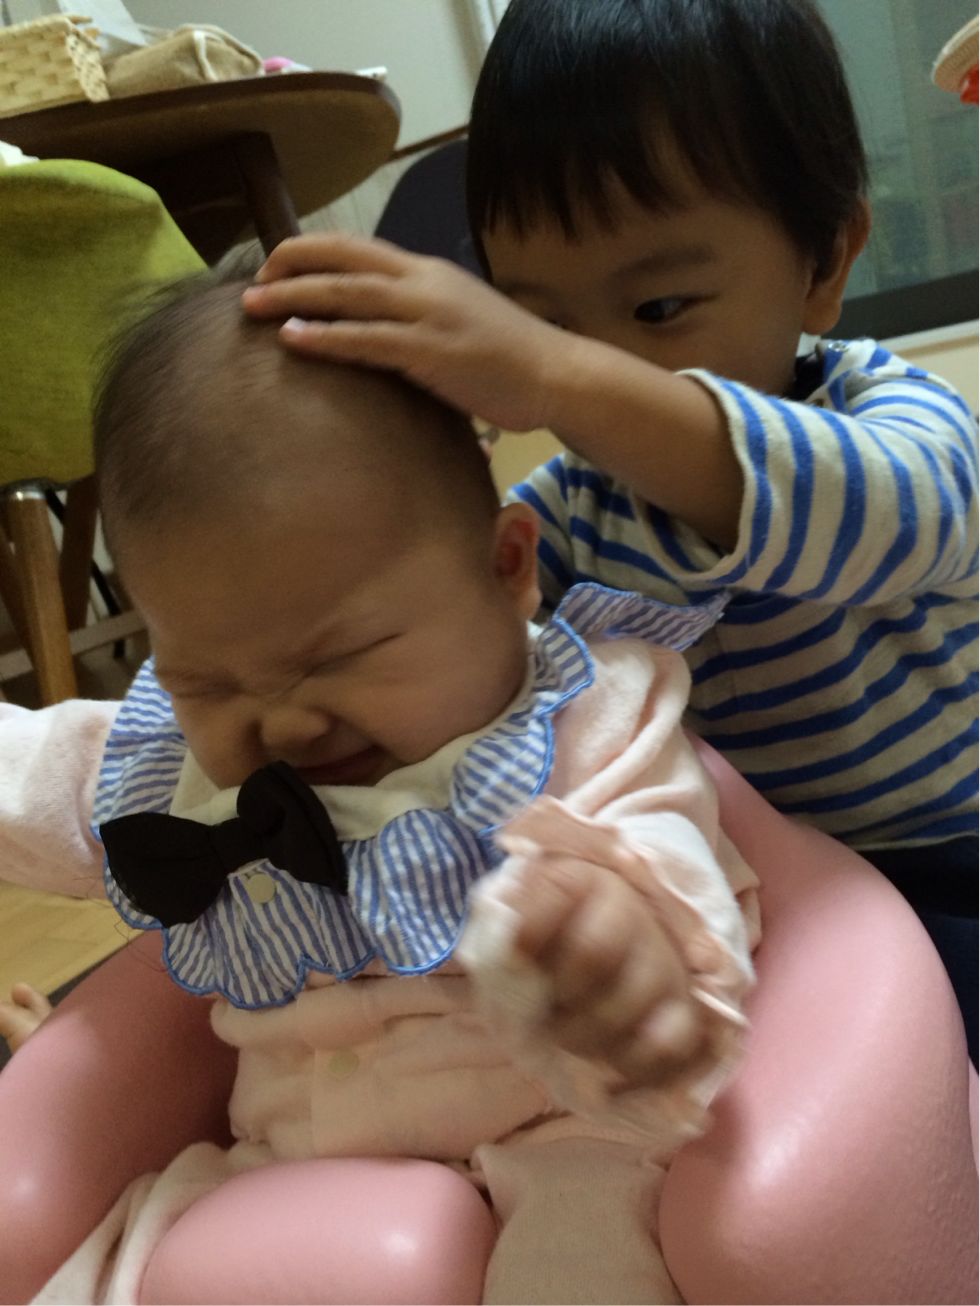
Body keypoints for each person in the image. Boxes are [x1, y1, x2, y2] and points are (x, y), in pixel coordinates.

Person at [240, 0, 978, 1059]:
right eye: (541, 320)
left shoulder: (891, 417)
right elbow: (457, 629)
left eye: (658, 308)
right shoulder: (569, 511)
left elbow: (899, 518)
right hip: (728, 883)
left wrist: (550, 370)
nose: (595, 367)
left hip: (940, 859)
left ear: (823, 265)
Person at [0, 274, 757, 1304]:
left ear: (506, 567)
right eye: (210, 681)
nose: (283, 725)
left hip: (568, 1141)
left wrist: (622, 959)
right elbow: (37, 775)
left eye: (341, 656)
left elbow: (667, 868)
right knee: (118, 1272)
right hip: (278, 1170)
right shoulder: (176, 765)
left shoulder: (587, 725)